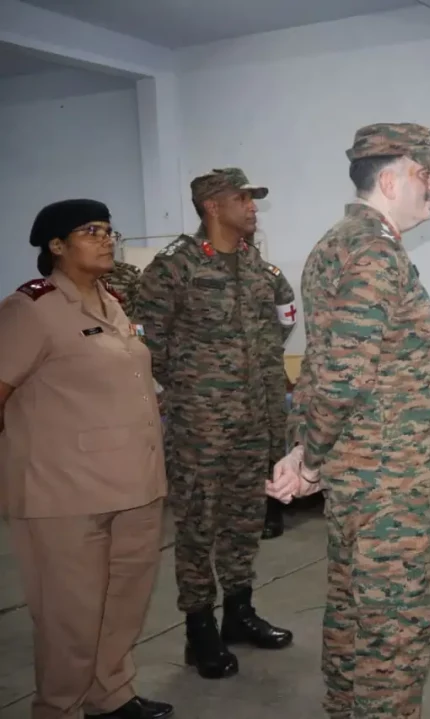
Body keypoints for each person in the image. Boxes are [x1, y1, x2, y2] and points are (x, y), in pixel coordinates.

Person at [267, 122, 430, 719]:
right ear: (393, 176)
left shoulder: (336, 243)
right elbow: (346, 374)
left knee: (353, 605)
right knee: (392, 623)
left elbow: (324, 365)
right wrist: (311, 456)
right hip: (384, 473)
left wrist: (307, 453)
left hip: (357, 467)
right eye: (428, 176)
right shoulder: (375, 251)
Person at [0, 200, 172, 719]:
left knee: (123, 604)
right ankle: (59, 708)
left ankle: (110, 695)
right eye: (90, 231)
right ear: (56, 245)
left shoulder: (113, 302)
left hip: (135, 484)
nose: (106, 239)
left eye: (108, 231)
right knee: (68, 616)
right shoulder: (30, 309)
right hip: (64, 493)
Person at [136, 167, 293, 681]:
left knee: (245, 521)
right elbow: (146, 348)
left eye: (253, 198)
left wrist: (275, 415)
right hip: (201, 425)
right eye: (242, 198)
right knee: (198, 525)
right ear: (211, 206)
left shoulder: (256, 267)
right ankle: (198, 627)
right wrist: (193, 392)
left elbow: (272, 340)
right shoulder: (172, 269)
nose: (252, 207)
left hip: (255, 419)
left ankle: (238, 613)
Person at [262, 256, 299, 540]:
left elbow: (288, 316)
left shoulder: (269, 274)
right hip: (215, 380)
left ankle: (271, 515)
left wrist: (268, 344)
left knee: (272, 440)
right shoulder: (194, 268)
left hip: (265, 374)